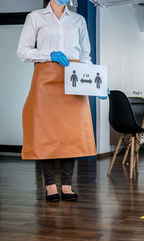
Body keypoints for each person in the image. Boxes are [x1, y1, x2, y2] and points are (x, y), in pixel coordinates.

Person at [17, 0, 96, 202]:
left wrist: (96, 82)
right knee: (46, 132)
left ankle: (67, 186)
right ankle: (50, 186)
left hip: (74, 77)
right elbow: (23, 51)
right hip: (46, 78)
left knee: (71, 133)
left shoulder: (79, 20)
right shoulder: (35, 17)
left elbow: (86, 55)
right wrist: (48, 54)